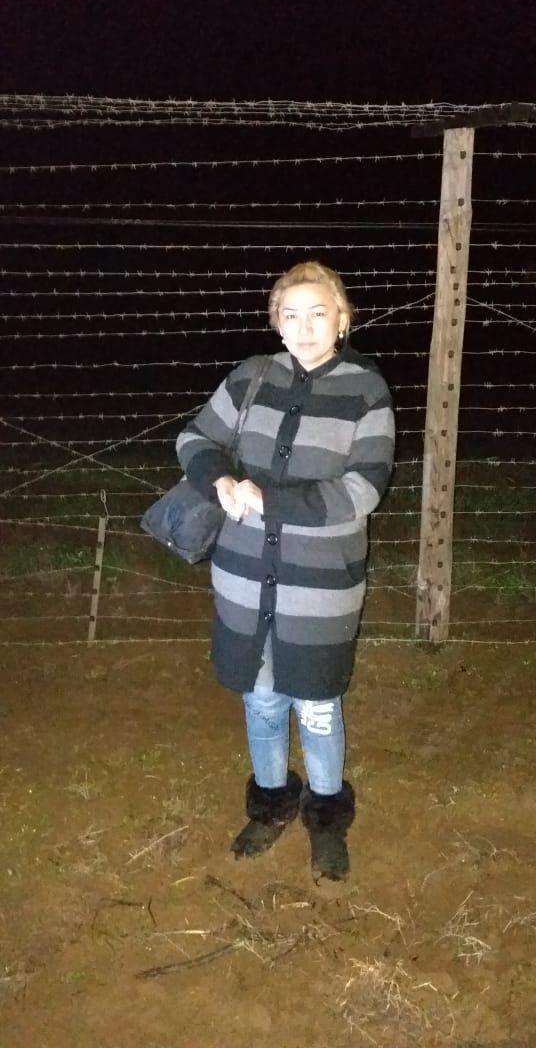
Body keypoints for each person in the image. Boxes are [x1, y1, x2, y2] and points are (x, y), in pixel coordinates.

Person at [176, 260, 395, 882]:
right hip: (244, 577)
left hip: (320, 588)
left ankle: (325, 818)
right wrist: (221, 480)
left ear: (342, 319)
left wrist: (269, 500)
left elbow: (362, 490)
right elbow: (195, 440)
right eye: (291, 315)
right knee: (263, 699)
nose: (304, 327)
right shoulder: (251, 376)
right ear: (276, 323)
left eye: (318, 313)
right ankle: (271, 805)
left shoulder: (366, 391)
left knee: (318, 707)